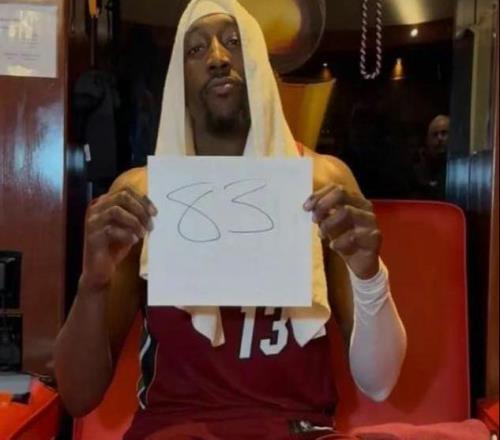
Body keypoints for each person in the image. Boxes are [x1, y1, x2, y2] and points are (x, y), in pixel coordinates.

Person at [54, 1, 407, 438]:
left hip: (297, 428)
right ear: (179, 81)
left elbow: (379, 382)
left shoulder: (321, 182)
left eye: (234, 42)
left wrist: (370, 275)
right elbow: (78, 396)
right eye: (196, 49)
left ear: (258, 62)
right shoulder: (142, 195)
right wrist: (92, 284)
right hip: (174, 429)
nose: (218, 57)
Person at [413, 115, 450, 200]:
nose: (439, 138)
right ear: (427, 140)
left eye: (444, 133)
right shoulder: (418, 171)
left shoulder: (459, 169)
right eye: (435, 134)